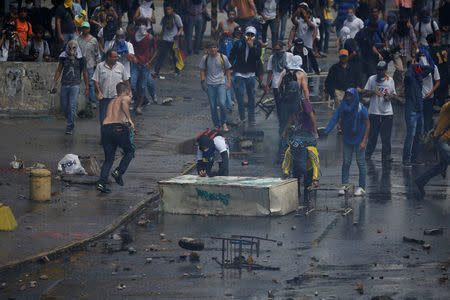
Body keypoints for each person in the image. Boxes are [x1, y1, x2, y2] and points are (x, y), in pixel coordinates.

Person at [324, 88, 370, 196]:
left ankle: (362, 187)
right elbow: (336, 118)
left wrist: (364, 141)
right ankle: (344, 185)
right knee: (346, 162)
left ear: (355, 96)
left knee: (361, 163)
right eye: (347, 95)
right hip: (348, 138)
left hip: (359, 138)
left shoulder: (361, 109)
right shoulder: (343, 106)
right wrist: (326, 131)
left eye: (350, 95)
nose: (348, 97)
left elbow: (368, 124)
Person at [97, 82, 135, 194]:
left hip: (105, 128)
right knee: (129, 152)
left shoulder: (112, 101)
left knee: (109, 159)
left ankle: (101, 183)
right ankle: (118, 172)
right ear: (127, 91)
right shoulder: (125, 98)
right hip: (118, 128)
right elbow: (124, 103)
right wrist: (130, 120)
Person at [52, 40, 89, 135]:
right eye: (70, 48)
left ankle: (70, 126)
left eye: (74, 48)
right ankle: (71, 119)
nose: (71, 50)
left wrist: (87, 86)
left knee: (72, 106)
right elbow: (59, 70)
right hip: (64, 84)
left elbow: (85, 72)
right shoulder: (63, 57)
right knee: (64, 106)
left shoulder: (81, 59)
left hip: (75, 84)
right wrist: (54, 82)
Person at [402, 58, 434, 167]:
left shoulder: (418, 75)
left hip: (419, 109)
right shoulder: (409, 77)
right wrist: (411, 65)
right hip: (411, 109)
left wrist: (419, 65)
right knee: (410, 135)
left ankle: (415, 158)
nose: (417, 64)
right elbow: (408, 75)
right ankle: (405, 159)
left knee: (418, 135)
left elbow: (430, 68)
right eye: (415, 63)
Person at [364, 61, 397, 164]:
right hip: (374, 112)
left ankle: (386, 156)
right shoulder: (372, 79)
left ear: (386, 70)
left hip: (387, 113)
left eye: (382, 70)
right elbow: (366, 92)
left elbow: (394, 94)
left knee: (386, 137)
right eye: (378, 70)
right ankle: (368, 154)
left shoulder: (389, 80)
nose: (380, 72)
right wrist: (373, 92)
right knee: (373, 136)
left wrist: (389, 96)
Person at [415, 101, 450, 195]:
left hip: (446, 141)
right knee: (443, 165)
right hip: (442, 140)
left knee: (441, 166)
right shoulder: (447, 106)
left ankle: (420, 181)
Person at [229, 26, 262, 126]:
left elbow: (257, 57)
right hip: (239, 73)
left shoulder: (257, 44)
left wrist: (251, 46)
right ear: (245, 34)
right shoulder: (239, 43)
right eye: (248, 34)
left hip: (251, 74)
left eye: (252, 35)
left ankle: (251, 117)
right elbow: (232, 55)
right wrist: (230, 68)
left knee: (251, 96)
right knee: (240, 95)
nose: (249, 37)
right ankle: (242, 115)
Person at [278, 55, 312, 143]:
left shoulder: (285, 72)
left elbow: (279, 87)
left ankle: (282, 140)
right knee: (296, 121)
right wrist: (307, 102)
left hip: (285, 101)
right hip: (296, 101)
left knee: (284, 121)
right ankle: (295, 142)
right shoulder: (301, 74)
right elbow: (305, 89)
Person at [200, 41, 232, 131]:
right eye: (211, 48)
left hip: (221, 83)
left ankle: (224, 123)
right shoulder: (205, 58)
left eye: (214, 47)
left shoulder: (223, 57)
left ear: (217, 48)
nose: (213, 49)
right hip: (209, 84)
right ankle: (216, 124)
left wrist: (229, 82)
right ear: (208, 49)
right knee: (213, 105)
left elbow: (228, 69)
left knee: (222, 103)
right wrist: (203, 80)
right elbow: (202, 69)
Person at [93, 49, 129, 125]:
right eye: (114, 57)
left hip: (117, 98)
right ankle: (104, 135)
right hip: (104, 98)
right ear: (108, 57)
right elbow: (95, 80)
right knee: (103, 119)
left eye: (117, 57)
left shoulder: (120, 66)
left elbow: (126, 80)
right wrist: (99, 92)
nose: (117, 58)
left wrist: (128, 92)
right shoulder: (100, 66)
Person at [385, 12, 417, 95]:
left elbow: (413, 38)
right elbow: (387, 37)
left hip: (406, 52)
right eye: (403, 19)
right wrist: (388, 48)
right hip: (396, 52)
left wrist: (416, 49)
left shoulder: (409, 26)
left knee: (403, 71)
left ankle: (395, 85)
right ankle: (399, 90)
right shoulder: (394, 27)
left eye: (405, 19)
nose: (404, 20)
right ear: (400, 19)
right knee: (400, 70)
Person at [132, 20, 158, 114]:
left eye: (143, 25)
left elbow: (155, 51)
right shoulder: (134, 35)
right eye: (140, 25)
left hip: (145, 65)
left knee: (143, 86)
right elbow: (131, 47)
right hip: (135, 64)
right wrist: (133, 56)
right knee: (132, 85)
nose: (142, 27)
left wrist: (149, 61)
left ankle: (139, 106)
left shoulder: (151, 38)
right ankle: (138, 100)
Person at [154, 3, 183, 77]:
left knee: (174, 57)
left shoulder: (176, 17)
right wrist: (159, 37)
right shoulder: (164, 18)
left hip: (173, 40)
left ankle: (177, 71)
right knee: (161, 56)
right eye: (166, 9)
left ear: (172, 9)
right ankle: (156, 71)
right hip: (165, 40)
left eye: (169, 9)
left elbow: (181, 27)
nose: (167, 11)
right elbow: (163, 29)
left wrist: (178, 34)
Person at [265, 41, 291, 126]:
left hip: (286, 83)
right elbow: (270, 72)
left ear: (282, 48)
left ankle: (288, 119)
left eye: (278, 49)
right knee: (278, 103)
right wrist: (267, 85)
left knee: (287, 103)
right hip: (276, 84)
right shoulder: (272, 58)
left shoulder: (289, 56)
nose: (277, 51)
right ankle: (281, 121)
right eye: (275, 50)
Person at [77, 21, 100, 108]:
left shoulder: (93, 40)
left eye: (86, 28)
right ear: (81, 29)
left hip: (90, 64)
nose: (85, 29)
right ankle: (80, 101)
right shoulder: (78, 39)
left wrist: (97, 64)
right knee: (79, 82)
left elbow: (97, 53)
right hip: (79, 64)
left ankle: (92, 101)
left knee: (90, 83)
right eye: (83, 28)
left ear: (89, 29)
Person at [417, 47, 441, 132]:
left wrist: (431, 92)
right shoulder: (416, 68)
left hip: (429, 97)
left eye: (424, 55)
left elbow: (438, 81)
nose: (422, 58)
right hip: (419, 97)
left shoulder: (434, 67)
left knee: (427, 119)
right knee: (419, 120)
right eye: (420, 55)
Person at [354, 20, 385, 84]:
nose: (374, 30)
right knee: (362, 76)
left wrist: (378, 54)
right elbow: (355, 43)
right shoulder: (361, 33)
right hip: (360, 58)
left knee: (372, 74)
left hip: (369, 58)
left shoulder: (372, 34)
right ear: (369, 27)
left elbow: (372, 46)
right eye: (373, 29)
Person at [427, 34, 448, 108]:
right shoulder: (444, 48)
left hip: (437, 78)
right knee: (443, 99)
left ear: (428, 42)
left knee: (433, 97)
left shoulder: (430, 51)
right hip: (447, 76)